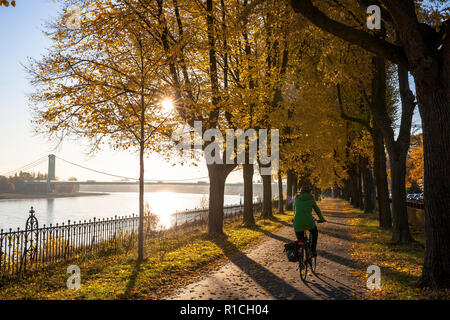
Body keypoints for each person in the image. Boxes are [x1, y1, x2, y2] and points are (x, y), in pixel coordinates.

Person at [293, 186, 326, 256]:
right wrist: (321, 219)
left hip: (297, 222)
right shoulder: (311, 199)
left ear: (300, 192)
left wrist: (294, 218)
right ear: (309, 192)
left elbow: (295, 210)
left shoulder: (296, 198)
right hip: (309, 221)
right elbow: (317, 210)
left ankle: (300, 255)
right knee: (314, 232)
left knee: (300, 240)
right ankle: (312, 250)